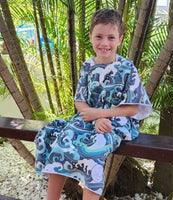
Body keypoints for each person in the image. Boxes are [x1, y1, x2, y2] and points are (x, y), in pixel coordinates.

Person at [34, 8, 152, 200]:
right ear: (90, 37)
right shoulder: (87, 66)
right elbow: (79, 100)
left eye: (111, 38)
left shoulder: (128, 68)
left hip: (117, 122)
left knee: (93, 151)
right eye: (99, 36)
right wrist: (94, 115)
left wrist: (99, 115)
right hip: (89, 118)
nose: (104, 43)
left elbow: (133, 108)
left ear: (120, 39)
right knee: (60, 140)